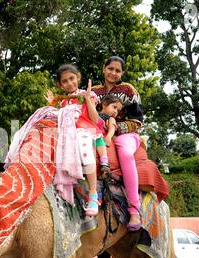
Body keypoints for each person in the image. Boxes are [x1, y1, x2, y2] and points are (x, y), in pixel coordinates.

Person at [92, 56, 144, 231]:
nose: (113, 73)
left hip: (125, 135)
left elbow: (137, 121)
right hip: (96, 132)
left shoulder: (128, 90)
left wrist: (113, 128)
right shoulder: (94, 92)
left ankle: (134, 208)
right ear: (103, 69)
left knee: (124, 152)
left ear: (122, 73)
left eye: (118, 70)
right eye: (110, 69)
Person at [47, 64, 106, 216]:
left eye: (72, 78)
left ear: (78, 77)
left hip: (86, 130)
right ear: (60, 85)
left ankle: (93, 194)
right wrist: (51, 105)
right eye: (65, 81)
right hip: (69, 133)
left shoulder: (87, 94)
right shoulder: (64, 101)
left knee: (83, 145)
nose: (69, 83)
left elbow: (94, 119)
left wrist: (87, 99)